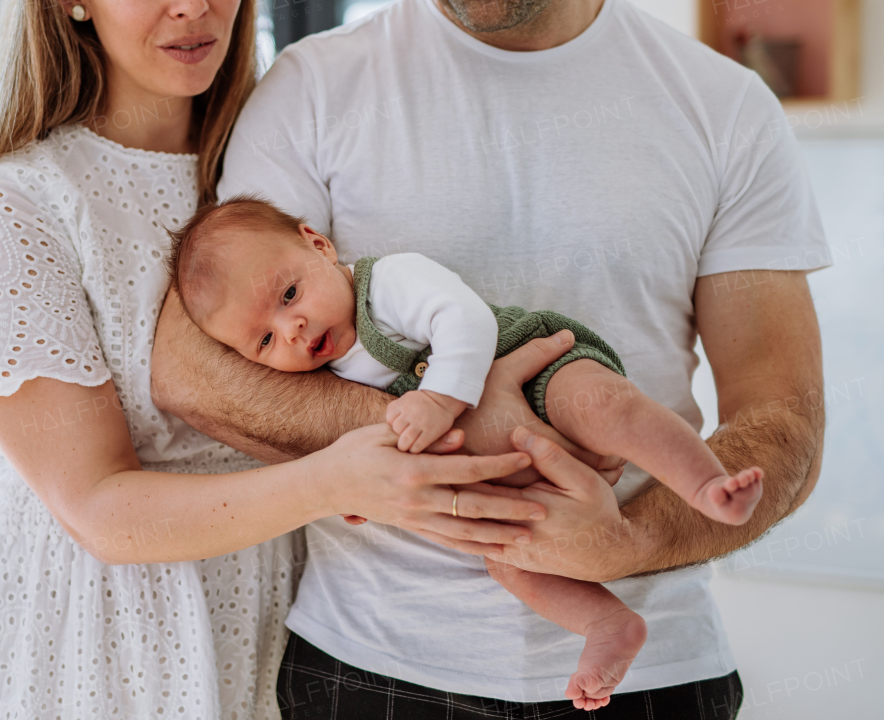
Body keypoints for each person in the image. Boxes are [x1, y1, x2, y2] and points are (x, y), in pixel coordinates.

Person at [150, 0, 829, 716]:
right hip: (371, 666)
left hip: (656, 673)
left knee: (602, 404)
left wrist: (627, 543)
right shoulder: (312, 86)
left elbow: (783, 418)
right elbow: (198, 374)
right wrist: (424, 449)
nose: (287, 329)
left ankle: (609, 612)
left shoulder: (726, 107)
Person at [0, 0, 548, 717]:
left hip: (269, 606)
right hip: (84, 623)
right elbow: (96, 510)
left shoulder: (269, 158)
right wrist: (333, 481)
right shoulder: (10, 204)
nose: (194, 7)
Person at [165, 195, 772, 707]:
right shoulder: (317, 368)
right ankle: (606, 623)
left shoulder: (386, 286)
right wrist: (352, 491)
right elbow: (337, 448)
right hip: (504, 472)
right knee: (509, 556)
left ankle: (704, 485)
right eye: (265, 339)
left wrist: (440, 401)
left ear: (318, 245)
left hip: (538, 369)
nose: (293, 329)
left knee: (608, 407)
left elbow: (466, 320)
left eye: (291, 293)